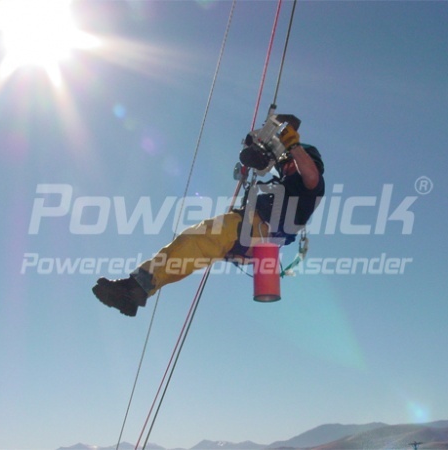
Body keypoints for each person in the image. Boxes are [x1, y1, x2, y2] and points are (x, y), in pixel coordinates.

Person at [92, 115, 325, 316]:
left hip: (257, 231)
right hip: (250, 234)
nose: (284, 167)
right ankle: (136, 289)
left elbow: (312, 175)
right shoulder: (285, 184)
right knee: (189, 243)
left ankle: (136, 288)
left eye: (288, 163)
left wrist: (293, 145)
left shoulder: (310, 185)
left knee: (197, 240)